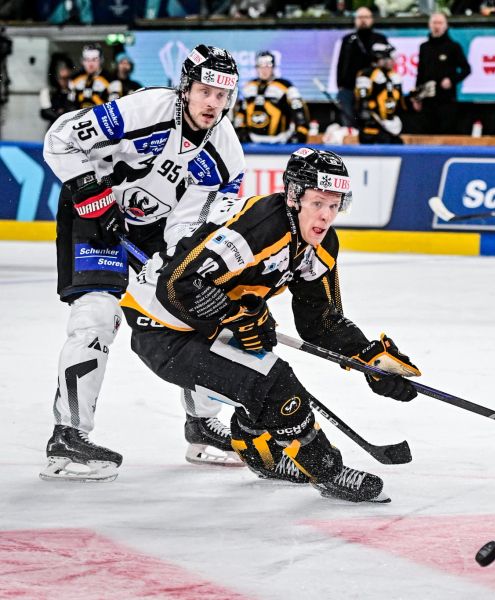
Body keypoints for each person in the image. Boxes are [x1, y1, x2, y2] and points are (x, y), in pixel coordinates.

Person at [122, 148, 420, 503]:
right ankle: (327, 471)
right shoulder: (259, 229)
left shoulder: (320, 244)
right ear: (294, 197)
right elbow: (176, 286)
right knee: (275, 382)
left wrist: (365, 357)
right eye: (318, 203)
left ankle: (261, 454)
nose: (326, 216)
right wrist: (236, 316)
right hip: (162, 326)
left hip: (203, 322)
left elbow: (320, 322)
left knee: (261, 374)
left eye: (335, 205)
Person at [41, 44, 247, 482]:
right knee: (97, 314)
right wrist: (86, 189)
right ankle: (68, 435)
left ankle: (203, 424)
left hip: (152, 227)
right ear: (186, 87)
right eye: (205, 90)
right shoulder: (145, 109)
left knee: (192, 313)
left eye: (222, 94)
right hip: (93, 209)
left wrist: (175, 268)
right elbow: (61, 136)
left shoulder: (226, 157)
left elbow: (190, 223)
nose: (213, 103)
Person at [233, 50, 311, 144]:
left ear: (273, 67)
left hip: (279, 142)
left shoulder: (285, 86)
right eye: (260, 65)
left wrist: (301, 131)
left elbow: (298, 108)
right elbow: (241, 111)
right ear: (256, 67)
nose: (264, 69)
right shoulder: (249, 86)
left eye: (267, 65)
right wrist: (239, 128)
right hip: (252, 142)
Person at [412, 12, 471, 135]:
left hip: (446, 99)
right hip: (428, 98)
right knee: (426, 131)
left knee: (446, 130)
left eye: (440, 23)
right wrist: (417, 96)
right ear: (429, 25)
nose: (436, 26)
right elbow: (420, 72)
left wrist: (451, 80)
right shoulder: (424, 47)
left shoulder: (453, 47)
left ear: (446, 26)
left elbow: (466, 69)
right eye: (434, 23)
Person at [335, 7, 388, 127]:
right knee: (348, 122)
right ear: (355, 20)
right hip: (349, 88)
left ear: (372, 20)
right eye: (360, 17)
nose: (363, 20)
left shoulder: (380, 39)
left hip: (373, 89)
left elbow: (388, 62)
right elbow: (340, 64)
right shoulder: (348, 40)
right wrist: (340, 85)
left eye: (366, 17)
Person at [355, 43, 405, 145]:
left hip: (391, 128)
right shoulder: (366, 74)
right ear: (380, 58)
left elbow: (400, 104)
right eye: (389, 57)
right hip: (372, 130)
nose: (393, 61)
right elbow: (362, 102)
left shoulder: (394, 76)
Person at [69, 43, 111, 109]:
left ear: (101, 60)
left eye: (94, 59)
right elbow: (69, 103)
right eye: (87, 59)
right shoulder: (75, 78)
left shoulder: (110, 79)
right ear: (82, 61)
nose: (90, 64)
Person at [39, 57, 77, 126]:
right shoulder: (48, 90)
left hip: (73, 127)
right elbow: (45, 112)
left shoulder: (75, 88)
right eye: (61, 78)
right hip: (55, 127)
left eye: (66, 78)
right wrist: (60, 115)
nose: (64, 81)